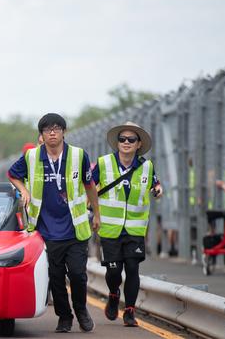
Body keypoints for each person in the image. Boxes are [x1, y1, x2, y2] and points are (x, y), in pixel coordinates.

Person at [8, 113, 100, 333]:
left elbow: (89, 186)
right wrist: (24, 190)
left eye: (56, 128)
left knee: (78, 275)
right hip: (46, 229)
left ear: (64, 132)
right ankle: (64, 317)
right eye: (47, 129)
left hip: (75, 228)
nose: (52, 132)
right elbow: (12, 174)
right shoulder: (32, 156)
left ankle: (81, 310)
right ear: (41, 134)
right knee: (55, 277)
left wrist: (96, 213)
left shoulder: (78, 155)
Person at [93, 121, 163, 327]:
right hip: (109, 228)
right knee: (114, 271)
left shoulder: (146, 166)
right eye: (122, 139)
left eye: (131, 139)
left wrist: (158, 190)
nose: (125, 142)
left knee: (132, 268)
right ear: (117, 142)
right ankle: (114, 294)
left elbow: (155, 184)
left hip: (135, 228)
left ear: (138, 144)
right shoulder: (104, 163)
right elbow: (89, 185)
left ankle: (130, 311)